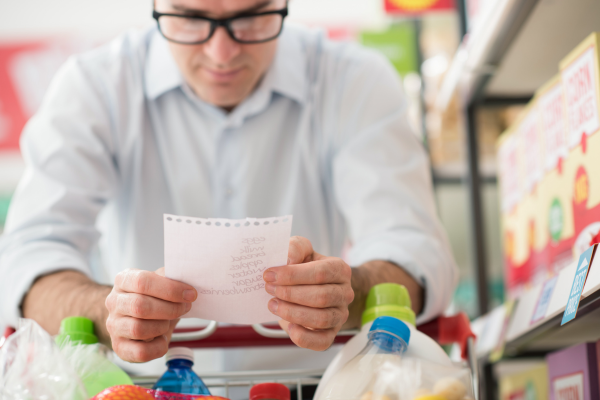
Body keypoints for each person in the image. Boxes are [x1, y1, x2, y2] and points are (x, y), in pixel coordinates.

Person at [0, 0, 457, 365]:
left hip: (312, 381)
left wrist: (345, 291)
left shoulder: (354, 80)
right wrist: (110, 311)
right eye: (190, 17)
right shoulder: (96, 87)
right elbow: (28, 257)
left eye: (253, 16)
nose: (222, 53)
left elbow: (415, 249)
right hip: (142, 386)